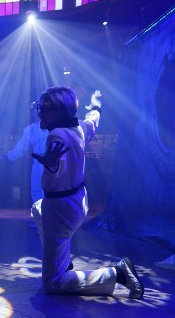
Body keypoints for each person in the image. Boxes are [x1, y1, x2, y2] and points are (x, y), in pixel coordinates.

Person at [29, 87, 144, 299]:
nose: (40, 113)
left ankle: (117, 273)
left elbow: (56, 167)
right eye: (40, 108)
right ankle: (62, 260)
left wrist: (51, 165)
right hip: (78, 202)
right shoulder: (79, 128)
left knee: (53, 283)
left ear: (59, 111)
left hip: (60, 210)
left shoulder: (56, 135)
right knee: (37, 210)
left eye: (45, 109)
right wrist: (96, 106)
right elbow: (93, 120)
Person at [7, 102, 49, 206]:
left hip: (50, 162)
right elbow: (21, 148)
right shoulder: (30, 129)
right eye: (34, 110)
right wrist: (9, 156)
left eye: (39, 110)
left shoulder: (51, 126)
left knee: (47, 188)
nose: (37, 113)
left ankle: (49, 214)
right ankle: (38, 214)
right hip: (37, 162)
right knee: (36, 189)